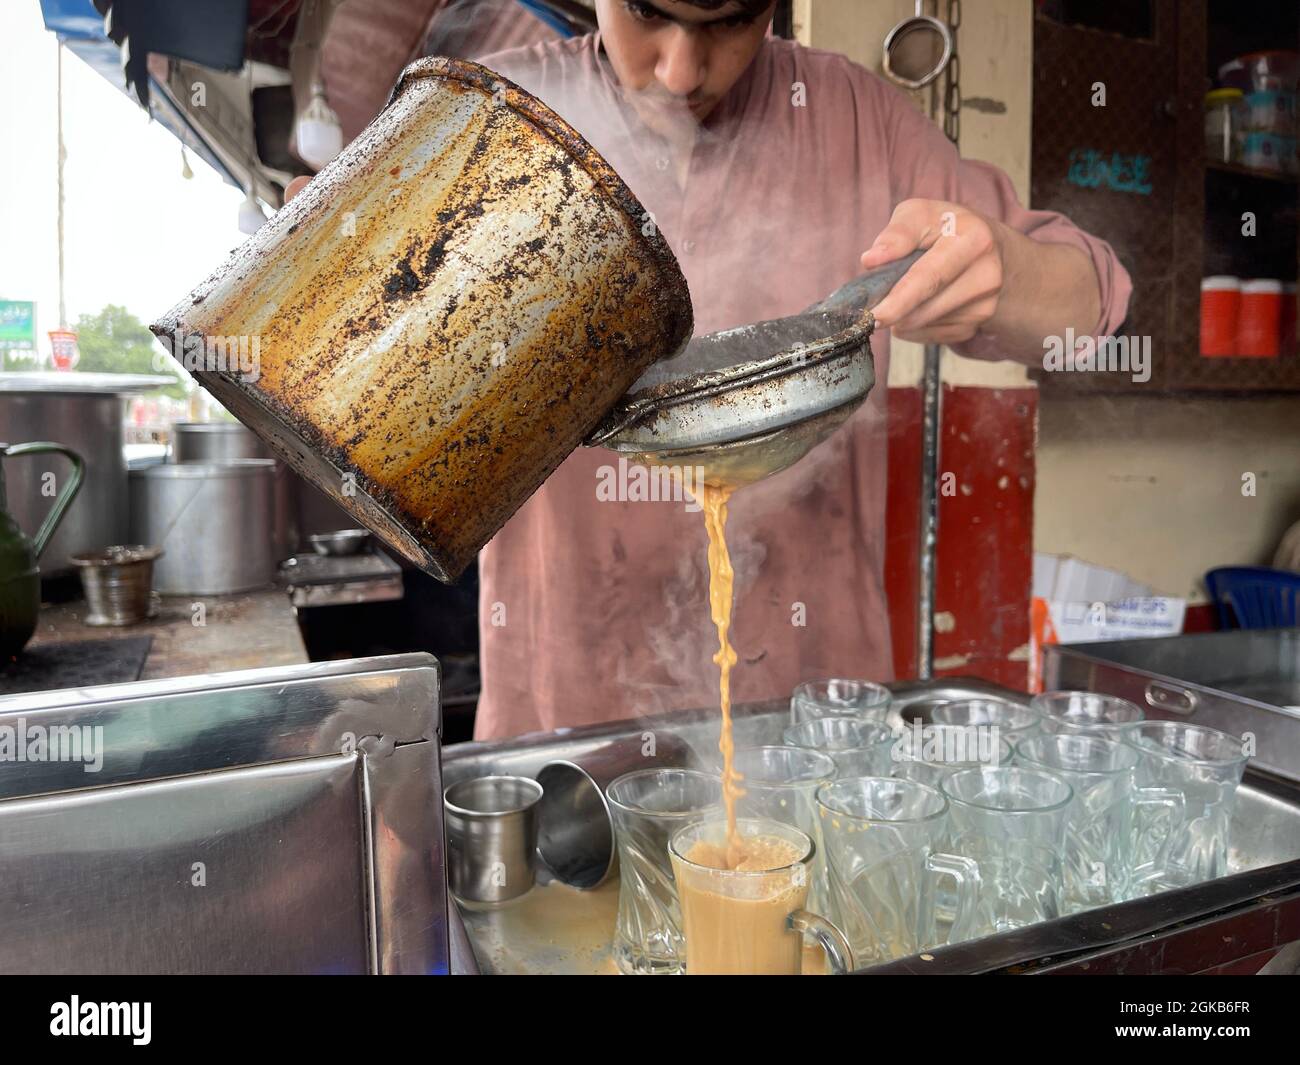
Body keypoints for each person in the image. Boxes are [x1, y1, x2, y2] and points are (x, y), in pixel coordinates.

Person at [289, 0, 1131, 741]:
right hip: (567, 725)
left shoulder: (854, 117)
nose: (682, 72)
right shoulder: (498, 123)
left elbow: (1094, 296)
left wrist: (1006, 273)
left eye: (731, 21)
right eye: (647, 14)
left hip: (813, 727)